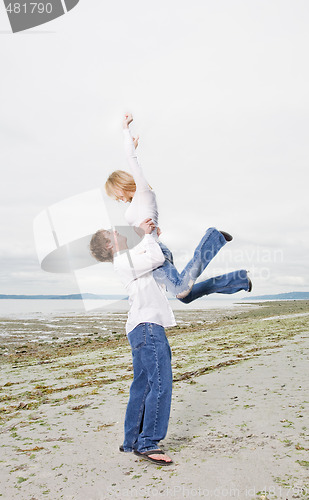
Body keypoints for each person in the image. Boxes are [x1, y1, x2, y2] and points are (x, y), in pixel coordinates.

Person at [104, 113, 252, 299]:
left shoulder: (143, 193)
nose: (116, 198)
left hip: (155, 253)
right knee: (185, 295)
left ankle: (213, 239)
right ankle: (239, 281)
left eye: (115, 193)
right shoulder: (137, 201)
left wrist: (126, 130)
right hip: (149, 251)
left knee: (181, 291)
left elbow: (131, 161)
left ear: (119, 186)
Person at [90, 219, 176, 465]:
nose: (117, 232)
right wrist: (148, 236)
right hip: (148, 326)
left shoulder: (128, 258)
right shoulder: (124, 260)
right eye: (111, 233)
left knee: (143, 386)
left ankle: (131, 441)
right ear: (109, 244)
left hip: (140, 327)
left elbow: (153, 256)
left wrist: (152, 237)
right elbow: (157, 260)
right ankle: (148, 442)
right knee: (160, 384)